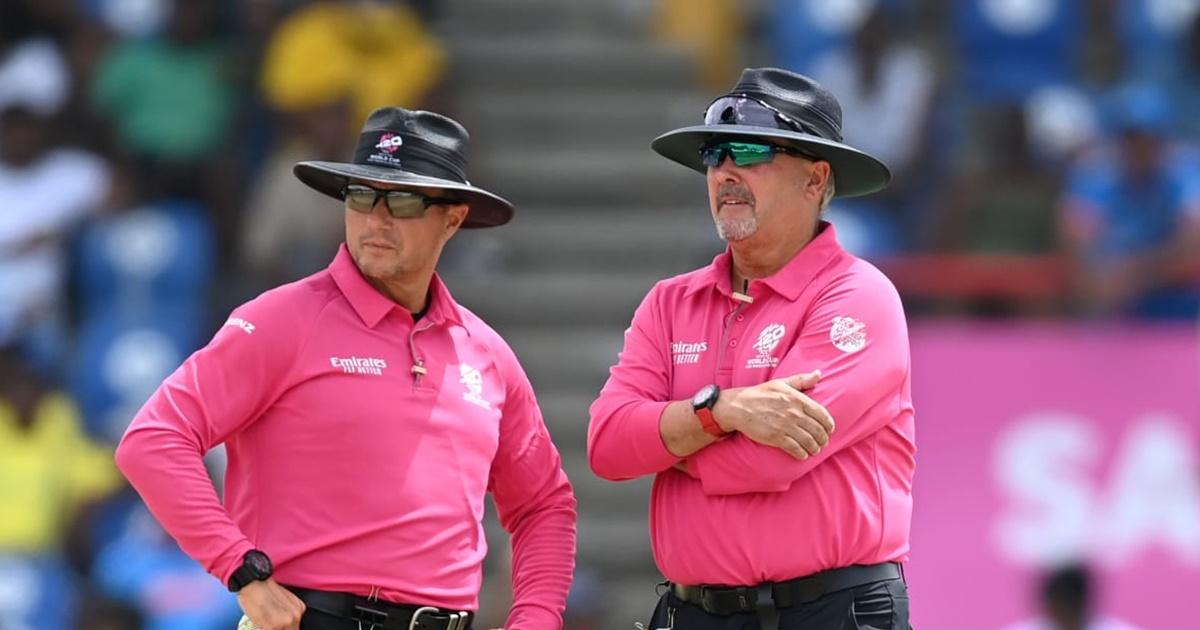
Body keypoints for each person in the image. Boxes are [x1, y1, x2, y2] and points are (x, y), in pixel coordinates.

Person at [115, 107, 577, 630]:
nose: (376, 220)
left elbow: (543, 504)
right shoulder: (281, 319)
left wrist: (535, 620)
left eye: (403, 201)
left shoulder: (487, 351)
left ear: (452, 219)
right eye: (361, 196)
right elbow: (153, 439)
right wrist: (239, 570)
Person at [588, 67, 915, 629]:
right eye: (714, 154)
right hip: (692, 612)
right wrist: (722, 413)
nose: (726, 171)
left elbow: (769, 460)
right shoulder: (669, 301)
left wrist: (663, 441)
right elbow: (608, 445)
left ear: (814, 179)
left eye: (749, 150)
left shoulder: (860, 295)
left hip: (832, 612)